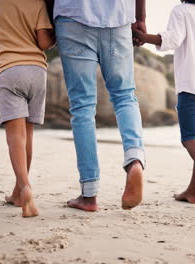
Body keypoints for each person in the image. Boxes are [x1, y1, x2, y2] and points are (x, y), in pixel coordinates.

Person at [133, 0, 195, 211]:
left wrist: (142, 37)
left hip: (192, 83)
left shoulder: (181, 11)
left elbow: (172, 39)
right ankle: (192, 191)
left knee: (189, 139)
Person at [54, 0, 147, 212]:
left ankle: (89, 193)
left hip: (73, 15)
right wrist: (140, 18)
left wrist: (51, 17)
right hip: (119, 17)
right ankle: (134, 160)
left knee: (82, 107)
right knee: (124, 96)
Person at [0, 0, 55, 217]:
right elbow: (43, 42)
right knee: (28, 135)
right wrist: (55, 37)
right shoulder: (38, 3)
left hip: (10, 69)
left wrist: (0, 67)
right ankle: (17, 192)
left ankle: (24, 188)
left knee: (16, 137)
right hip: (37, 72)